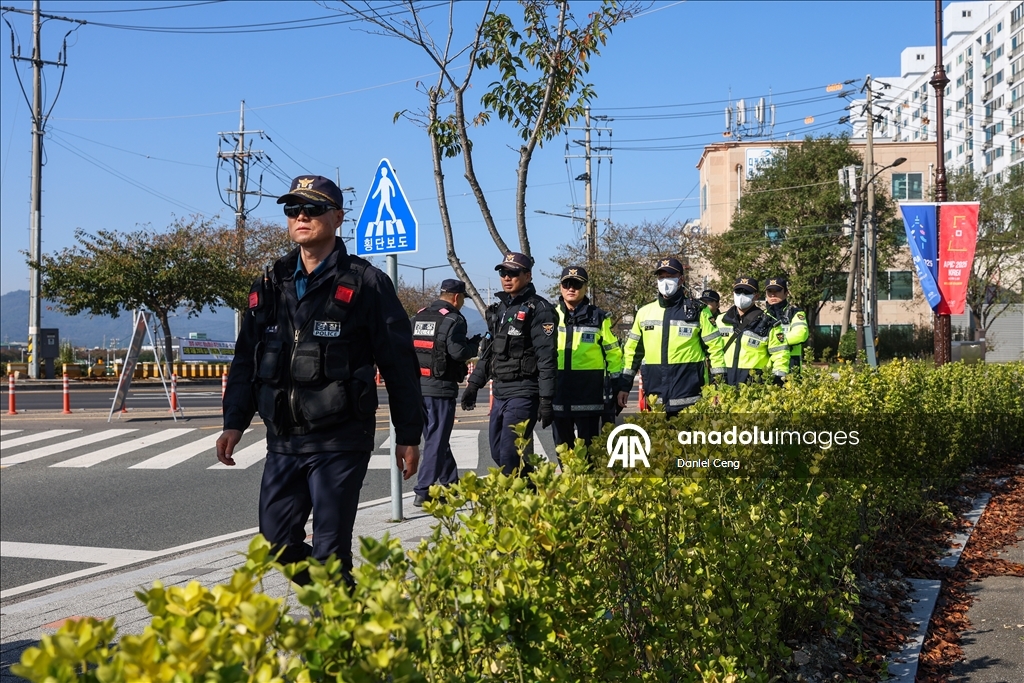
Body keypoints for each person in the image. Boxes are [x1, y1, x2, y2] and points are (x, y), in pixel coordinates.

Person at [217, 174, 422, 584]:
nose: (301, 216)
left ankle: (342, 637)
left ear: (338, 217)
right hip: (284, 439)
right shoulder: (271, 282)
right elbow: (246, 358)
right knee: (275, 545)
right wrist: (234, 421)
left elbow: (399, 363)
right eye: (293, 209)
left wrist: (409, 434)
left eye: (313, 208)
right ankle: (353, 610)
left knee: (329, 551)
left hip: (340, 438)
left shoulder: (366, 282)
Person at [461, 252, 557, 476]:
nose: (507, 277)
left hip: (524, 391)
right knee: (497, 453)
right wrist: (473, 386)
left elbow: (547, 358)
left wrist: (546, 399)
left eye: (513, 273)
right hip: (501, 392)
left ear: (528, 276)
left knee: (509, 455)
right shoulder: (501, 310)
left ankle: (524, 504)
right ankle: (534, 492)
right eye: (503, 272)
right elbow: (490, 352)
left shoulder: (539, 310)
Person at [618, 258, 723, 416]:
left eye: (670, 276)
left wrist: (718, 386)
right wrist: (624, 386)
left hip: (690, 396)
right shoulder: (644, 312)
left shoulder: (698, 311)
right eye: (661, 277)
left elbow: (715, 349)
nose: (665, 281)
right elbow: (632, 352)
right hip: (655, 396)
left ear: (681, 279)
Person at [410, 279, 480, 507]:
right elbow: (458, 352)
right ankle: (423, 490)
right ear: (457, 297)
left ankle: (450, 483)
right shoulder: (454, 319)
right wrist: (475, 346)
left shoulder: (419, 316)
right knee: (437, 440)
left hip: (417, 386)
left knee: (435, 439)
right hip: (440, 388)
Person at [551, 266, 624, 451]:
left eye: (576, 284)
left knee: (589, 453)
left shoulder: (598, 317)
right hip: (558, 392)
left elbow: (613, 354)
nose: (571, 288)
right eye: (567, 284)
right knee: (563, 451)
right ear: (560, 287)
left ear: (585, 288)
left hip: (589, 394)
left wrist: (618, 386)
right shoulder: (550, 316)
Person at [712, 276, 789, 386]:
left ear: (756, 296)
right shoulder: (720, 320)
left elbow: (781, 355)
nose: (741, 295)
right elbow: (712, 351)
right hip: (724, 385)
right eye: (738, 291)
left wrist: (776, 383)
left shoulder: (769, 323)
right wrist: (715, 383)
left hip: (754, 387)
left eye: (747, 292)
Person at [763, 277, 809, 373]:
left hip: (791, 366)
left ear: (786, 293)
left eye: (777, 291)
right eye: (769, 291)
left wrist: (773, 341)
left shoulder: (795, 313)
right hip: (766, 367)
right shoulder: (760, 315)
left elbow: (801, 334)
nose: (773, 294)